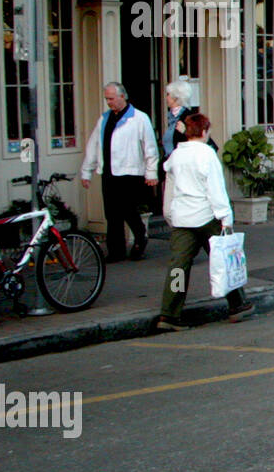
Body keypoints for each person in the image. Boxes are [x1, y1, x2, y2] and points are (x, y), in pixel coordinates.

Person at [157, 113, 252, 331]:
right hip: (206, 216)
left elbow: (169, 188)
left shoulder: (175, 157)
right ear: (203, 132)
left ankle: (170, 313)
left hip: (182, 217)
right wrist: (225, 217)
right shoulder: (207, 155)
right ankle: (237, 304)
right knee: (223, 260)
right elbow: (215, 189)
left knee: (178, 267)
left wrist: (169, 214)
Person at [80, 81, 159, 263]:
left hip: (130, 172)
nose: (109, 102)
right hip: (109, 173)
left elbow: (150, 147)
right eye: (106, 99)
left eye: (111, 98)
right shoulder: (104, 119)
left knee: (128, 210)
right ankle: (116, 251)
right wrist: (87, 171)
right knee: (112, 214)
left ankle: (140, 237)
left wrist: (151, 172)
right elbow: (94, 145)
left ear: (122, 96)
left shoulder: (139, 118)